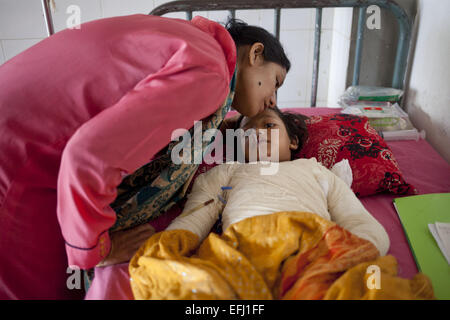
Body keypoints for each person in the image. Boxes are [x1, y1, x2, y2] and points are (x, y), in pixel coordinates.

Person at [0, 14, 290, 299]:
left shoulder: (185, 39)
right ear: (255, 53)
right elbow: (88, 157)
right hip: (19, 160)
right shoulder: (212, 73)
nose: (275, 100)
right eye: (276, 81)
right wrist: (97, 250)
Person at [128, 107, 395, 300]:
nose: (257, 133)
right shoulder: (228, 172)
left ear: (292, 142)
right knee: (196, 287)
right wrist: (170, 245)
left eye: (268, 125)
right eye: (247, 131)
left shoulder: (314, 170)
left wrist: (358, 252)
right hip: (243, 251)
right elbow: (196, 217)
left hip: (313, 248)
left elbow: (357, 220)